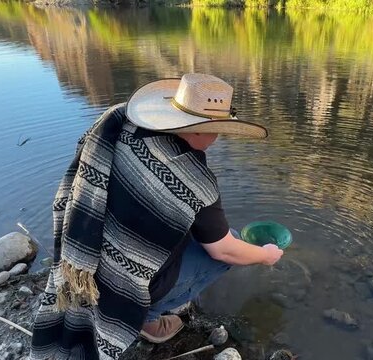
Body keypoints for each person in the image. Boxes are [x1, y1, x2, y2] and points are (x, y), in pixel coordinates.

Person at [30, 73, 284, 360]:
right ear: (201, 130)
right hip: (118, 282)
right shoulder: (193, 179)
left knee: (190, 226)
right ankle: (145, 316)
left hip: (83, 253)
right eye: (219, 130)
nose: (218, 138)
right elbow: (225, 250)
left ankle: (130, 297)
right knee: (230, 244)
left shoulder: (119, 123)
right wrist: (265, 255)